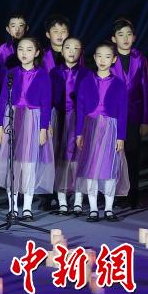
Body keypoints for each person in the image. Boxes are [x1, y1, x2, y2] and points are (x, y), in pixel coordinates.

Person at [0, 36, 54, 221]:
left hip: (33, 120)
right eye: (20, 49)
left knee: (28, 165)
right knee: (12, 164)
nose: (24, 53)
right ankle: (12, 207)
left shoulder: (43, 75)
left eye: (29, 49)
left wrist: (43, 128)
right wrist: (0, 125)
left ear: (36, 53)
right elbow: (2, 100)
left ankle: (27, 207)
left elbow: (46, 103)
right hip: (12, 118)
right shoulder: (11, 73)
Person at [74, 42, 130, 222]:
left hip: (110, 129)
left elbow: (123, 112)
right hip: (90, 127)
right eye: (99, 56)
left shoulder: (119, 84)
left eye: (107, 56)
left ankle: (108, 208)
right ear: (94, 58)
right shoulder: (86, 81)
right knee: (90, 169)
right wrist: (78, 133)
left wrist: (121, 136)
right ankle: (92, 209)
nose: (103, 60)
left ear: (114, 59)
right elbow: (80, 109)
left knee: (109, 169)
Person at [109, 18, 148, 209]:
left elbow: (145, 89)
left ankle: (133, 195)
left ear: (134, 37)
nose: (125, 38)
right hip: (113, 116)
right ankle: (116, 195)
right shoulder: (109, 57)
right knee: (114, 155)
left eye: (128, 34)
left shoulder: (140, 58)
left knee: (133, 155)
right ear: (114, 38)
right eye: (120, 34)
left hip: (134, 116)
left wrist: (145, 120)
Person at [49, 36, 90, 215]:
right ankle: (62, 200)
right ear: (62, 50)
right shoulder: (54, 72)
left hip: (79, 119)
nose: (71, 51)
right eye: (68, 47)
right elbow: (49, 99)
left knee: (79, 156)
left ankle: (78, 199)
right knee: (60, 156)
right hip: (58, 118)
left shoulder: (87, 73)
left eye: (76, 48)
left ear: (81, 51)